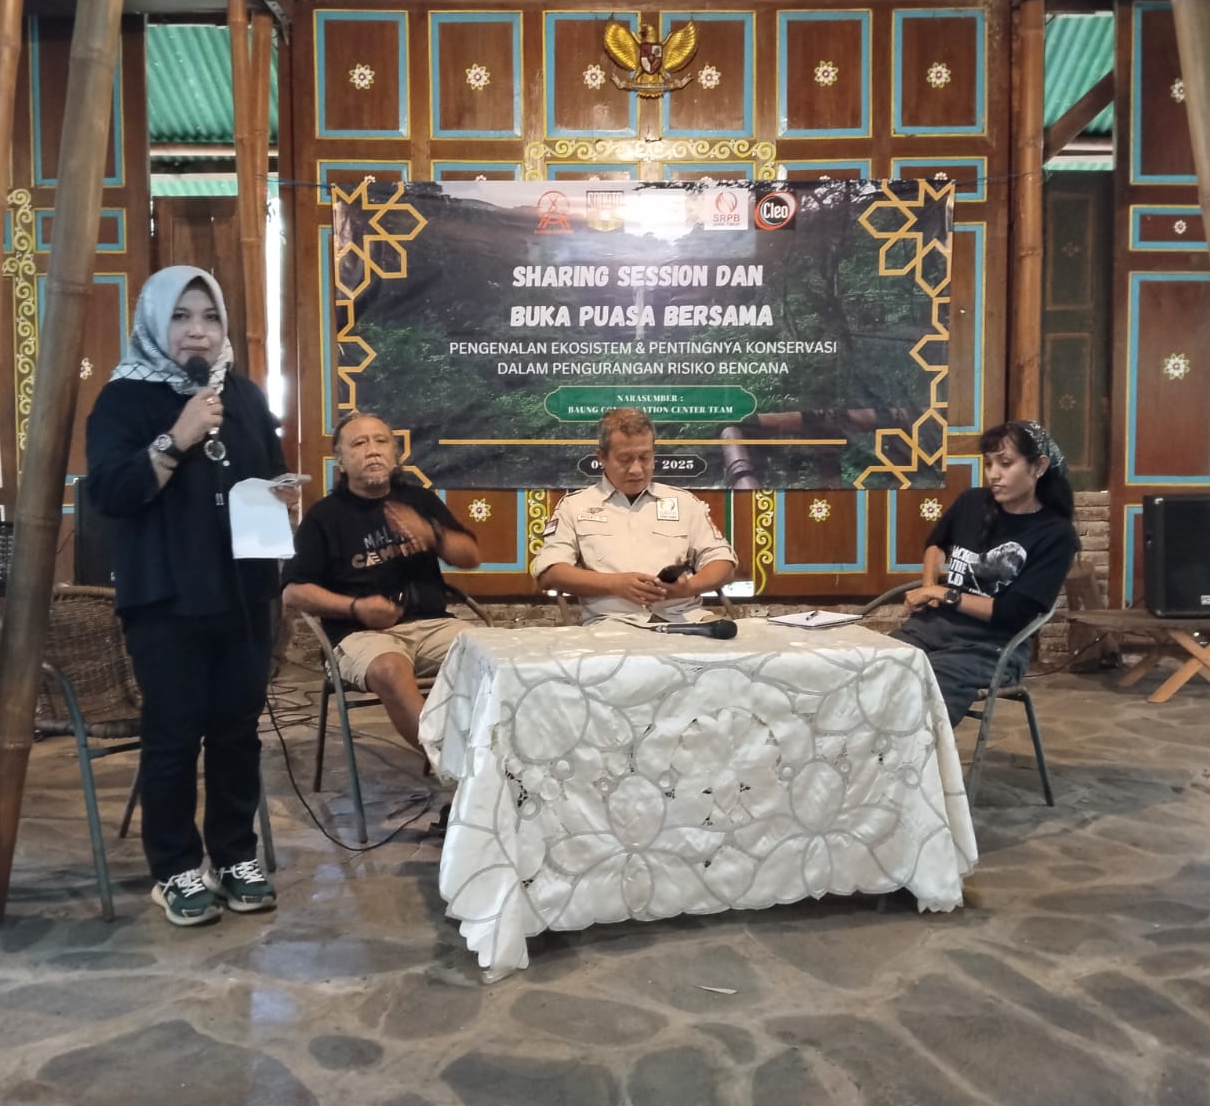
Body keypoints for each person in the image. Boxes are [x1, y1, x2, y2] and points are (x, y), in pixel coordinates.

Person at [85, 266, 300, 926]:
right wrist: (175, 438)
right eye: (181, 317)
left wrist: (282, 496)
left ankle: (235, 856)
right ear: (155, 323)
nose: (197, 331)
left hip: (241, 594)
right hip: (165, 599)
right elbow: (111, 493)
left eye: (209, 317)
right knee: (174, 736)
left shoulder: (244, 396)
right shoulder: (123, 400)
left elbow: (267, 471)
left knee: (237, 732)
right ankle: (176, 868)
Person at [281, 413, 482, 752]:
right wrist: (355, 608)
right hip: (360, 634)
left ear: (394, 453)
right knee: (390, 669)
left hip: (433, 625)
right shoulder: (324, 517)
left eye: (381, 441)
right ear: (341, 461)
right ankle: (451, 764)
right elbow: (293, 592)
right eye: (359, 443)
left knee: (493, 655)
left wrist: (433, 534)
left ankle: (488, 756)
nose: (373, 450)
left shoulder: (420, 501)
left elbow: (471, 557)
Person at [893, 420, 1079, 726]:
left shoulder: (1056, 535)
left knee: (922, 689)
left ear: (1039, 467)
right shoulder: (972, 502)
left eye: (1005, 463)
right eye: (989, 463)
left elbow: (1014, 613)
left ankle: (911, 756)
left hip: (993, 647)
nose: (993, 474)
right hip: (930, 629)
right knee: (872, 668)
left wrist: (945, 594)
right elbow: (936, 545)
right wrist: (929, 587)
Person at [532, 408, 737, 623]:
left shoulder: (684, 503)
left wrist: (689, 587)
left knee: (730, 637)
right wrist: (613, 584)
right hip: (613, 625)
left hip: (685, 620)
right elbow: (550, 573)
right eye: (625, 459)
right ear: (602, 457)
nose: (636, 470)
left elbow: (723, 563)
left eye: (645, 458)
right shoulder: (574, 506)